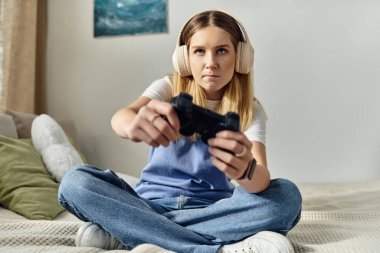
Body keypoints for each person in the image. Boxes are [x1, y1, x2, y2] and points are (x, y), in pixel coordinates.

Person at [58, 10, 302, 253]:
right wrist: (130, 125)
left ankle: (133, 234)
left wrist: (245, 169)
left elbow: (261, 180)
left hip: (211, 210)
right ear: (184, 59)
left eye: (221, 50)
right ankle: (213, 248)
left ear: (241, 57)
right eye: (199, 51)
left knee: (286, 196)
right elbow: (121, 117)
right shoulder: (168, 87)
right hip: (147, 204)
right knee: (75, 182)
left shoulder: (250, 110)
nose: (211, 63)